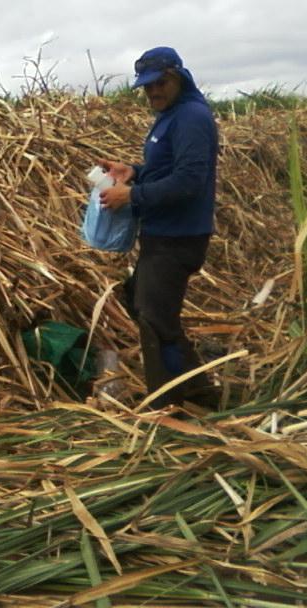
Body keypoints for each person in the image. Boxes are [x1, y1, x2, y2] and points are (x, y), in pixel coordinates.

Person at [99, 46, 218, 409]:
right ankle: (196, 390)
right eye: (147, 87)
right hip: (162, 233)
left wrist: (131, 196)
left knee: (153, 318)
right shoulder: (170, 116)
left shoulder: (192, 118)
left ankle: (167, 405)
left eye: (160, 83)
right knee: (142, 303)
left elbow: (188, 181)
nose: (154, 93)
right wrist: (135, 170)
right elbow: (168, 167)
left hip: (179, 236)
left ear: (178, 76)